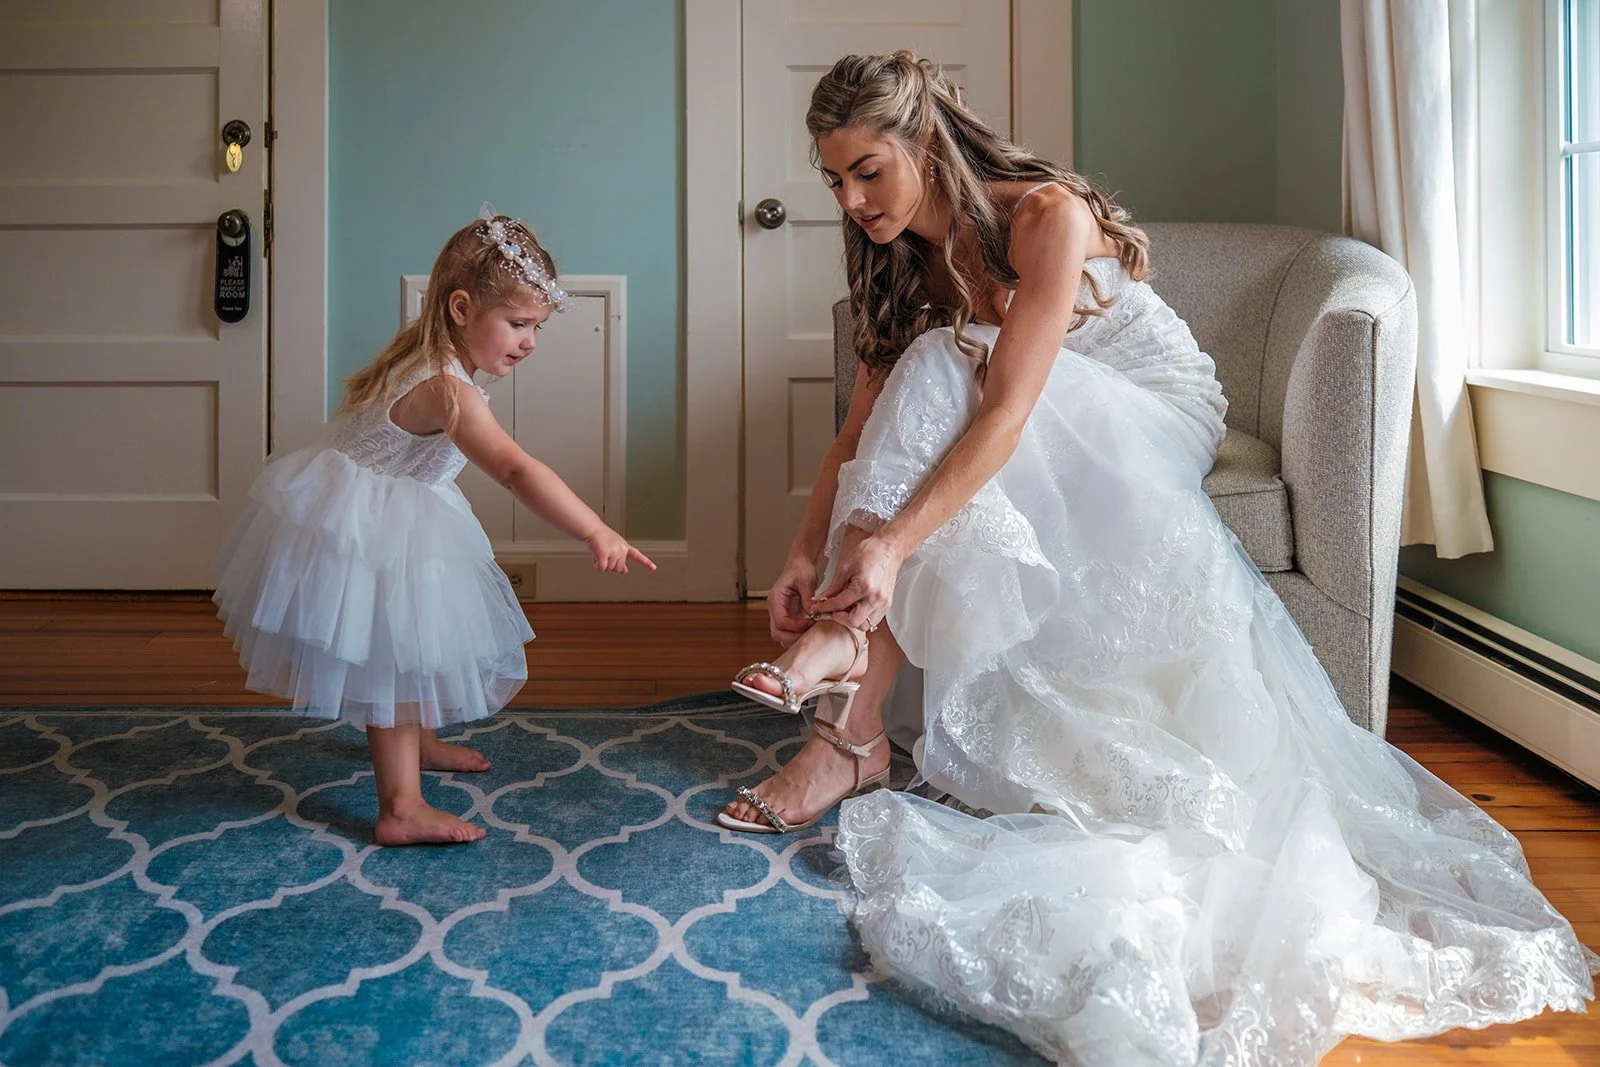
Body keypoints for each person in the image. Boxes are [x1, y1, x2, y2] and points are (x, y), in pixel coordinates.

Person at [721, 52, 1595, 1063]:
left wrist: (886, 549)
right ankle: (853, 707)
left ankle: (847, 715)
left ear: (924, 143)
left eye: (868, 170)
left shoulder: (1045, 215)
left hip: (1149, 411)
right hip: (1029, 424)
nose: (851, 199)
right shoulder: (892, 257)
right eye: (833, 179)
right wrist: (803, 548)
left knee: (947, 370)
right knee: (926, 366)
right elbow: (856, 435)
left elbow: (1008, 410)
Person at [214, 205, 653, 847]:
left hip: (394, 510)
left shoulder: (425, 354)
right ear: (460, 307)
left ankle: (418, 741)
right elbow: (515, 471)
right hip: (367, 530)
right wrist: (594, 529)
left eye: (537, 326)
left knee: (413, 639)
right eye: (518, 323)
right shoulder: (450, 390)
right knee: (392, 659)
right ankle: (400, 808)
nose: (529, 341)